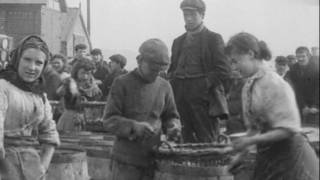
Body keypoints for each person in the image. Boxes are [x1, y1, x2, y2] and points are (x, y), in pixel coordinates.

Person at [225, 32, 319, 180]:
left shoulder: (274, 83)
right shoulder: (248, 85)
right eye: (231, 62)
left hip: (291, 158)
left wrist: (251, 141)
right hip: (268, 157)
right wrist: (240, 156)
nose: (233, 67)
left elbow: (288, 129)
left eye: (236, 61)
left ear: (250, 54)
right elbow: (254, 129)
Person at [103, 39, 181, 180]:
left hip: (153, 160)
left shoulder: (164, 86)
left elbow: (171, 115)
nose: (156, 74)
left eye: (160, 71)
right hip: (126, 162)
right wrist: (133, 127)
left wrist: (173, 126)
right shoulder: (121, 83)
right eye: (152, 69)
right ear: (139, 61)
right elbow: (109, 120)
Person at [168, 0, 230, 143]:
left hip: (203, 100)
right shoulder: (178, 41)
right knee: (181, 141)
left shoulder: (213, 39)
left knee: (207, 141)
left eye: (192, 14)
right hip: (179, 98)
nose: (188, 18)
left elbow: (224, 70)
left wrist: (204, 85)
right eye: (185, 14)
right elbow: (172, 68)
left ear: (202, 15)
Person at [0, 35, 60, 180]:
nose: (32, 67)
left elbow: (49, 133)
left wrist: (42, 167)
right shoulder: (3, 88)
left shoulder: (39, 96)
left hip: (31, 168)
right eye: (27, 59)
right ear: (17, 59)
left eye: (39, 62)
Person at [57, 57, 102, 132]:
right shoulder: (69, 82)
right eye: (82, 73)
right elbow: (59, 93)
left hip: (87, 119)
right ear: (76, 72)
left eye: (88, 73)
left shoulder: (94, 87)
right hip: (70, 118)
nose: (85, 76)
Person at [289, 47, 319, 124]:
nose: (300, 59)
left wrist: (315, 105)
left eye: (303, 56)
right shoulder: (293, 69)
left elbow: (318, 89)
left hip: (315, 103)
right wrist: (303, 106)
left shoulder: (316, 68)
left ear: (308, 56)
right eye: (298, 57)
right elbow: (295, 89)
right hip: (300, 103)